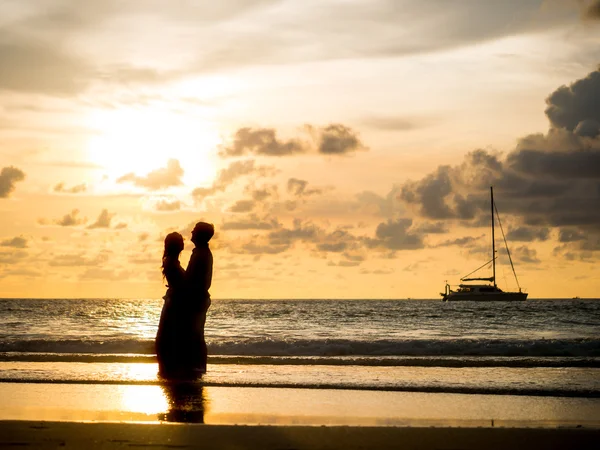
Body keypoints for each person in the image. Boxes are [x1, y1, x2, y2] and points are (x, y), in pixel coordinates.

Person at [155, 232, 187, 377]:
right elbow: (181, 285)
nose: (183, 244)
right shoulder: (171, 263)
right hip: (174, 306)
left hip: (174, 304)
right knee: (170, 338)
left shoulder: (172, 261)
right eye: (180, 242)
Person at [185, 221, 214, 373]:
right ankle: (198, 365)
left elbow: (192, 278)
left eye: (195, 230)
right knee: (196, 333)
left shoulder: (201, 254)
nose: (192, 232)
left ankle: (198, 366)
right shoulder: (201, 252)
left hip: (197, 298)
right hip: (198, 297)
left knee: (195, 334)